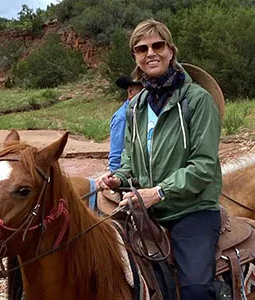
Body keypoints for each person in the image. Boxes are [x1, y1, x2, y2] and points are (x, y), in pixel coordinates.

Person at [96, 19, 222, 299]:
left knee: (196, 289)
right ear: (136, 58)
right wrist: (119, 178)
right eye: (142, 49)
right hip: (146, 210)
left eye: (157, 45)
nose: (150, 52)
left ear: (171, 51)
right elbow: (130, 160)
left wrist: (160, 192)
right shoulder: (135, 109)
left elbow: (204, 165)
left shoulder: (197, 101)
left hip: (192, 210)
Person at [108, 76, 143, 172]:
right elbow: (116, 154)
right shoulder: (122, 118)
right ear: (131, 92)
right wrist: (116, 178)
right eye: (142, 91)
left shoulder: (142, 113)